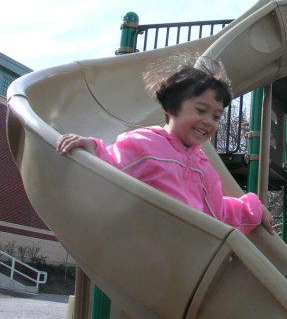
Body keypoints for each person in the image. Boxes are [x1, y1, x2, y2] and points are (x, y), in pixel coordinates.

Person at [56, 55, 275, 235]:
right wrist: (93, 147)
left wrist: (252, 209)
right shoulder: (145, 144)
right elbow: (111, 166)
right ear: (171, 108)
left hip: (187, 253)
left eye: (216, 116)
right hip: (146, 246)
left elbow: (218, 212)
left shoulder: (203, 167)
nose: (209, 121)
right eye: (201, 110)